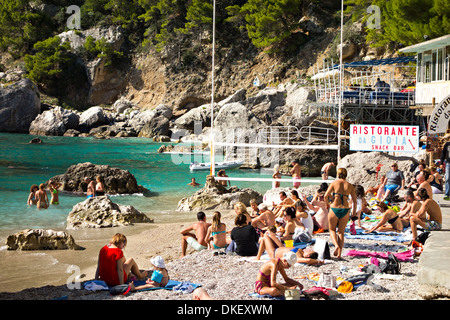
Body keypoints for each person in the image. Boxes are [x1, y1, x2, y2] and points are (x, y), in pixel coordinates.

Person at [324, 167, 357, 259]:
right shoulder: (350, 185)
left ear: (338, 174)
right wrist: (353, 214)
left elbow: (326, 195)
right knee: (341, 232)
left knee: (332, 230)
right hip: (345, 210)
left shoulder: (334, 183)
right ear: (346, 175)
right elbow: (355, 201)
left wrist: (327, 205)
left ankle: (336, 245)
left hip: (334, 208)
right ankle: (339, 254)